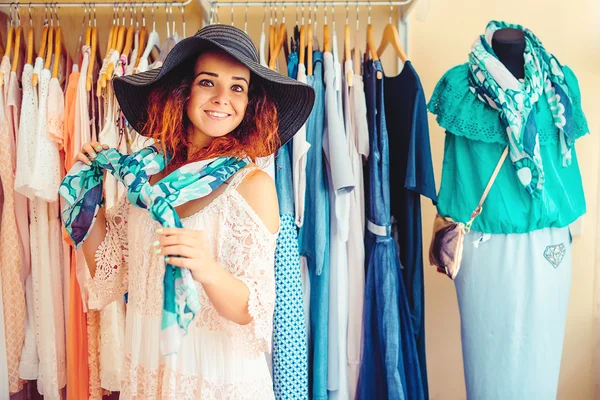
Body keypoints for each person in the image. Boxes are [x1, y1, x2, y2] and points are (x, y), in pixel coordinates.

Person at [61, 24, 314, 399]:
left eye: (238, 87)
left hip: (215, 379)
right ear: (184, 90)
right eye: (208, 82)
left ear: (249, 104)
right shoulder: (144, 178)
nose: (222, 98)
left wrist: (207, 268)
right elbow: (108, 272)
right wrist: (83, 196)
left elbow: (254, 310)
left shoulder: (251, 185)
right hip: (150, 371)